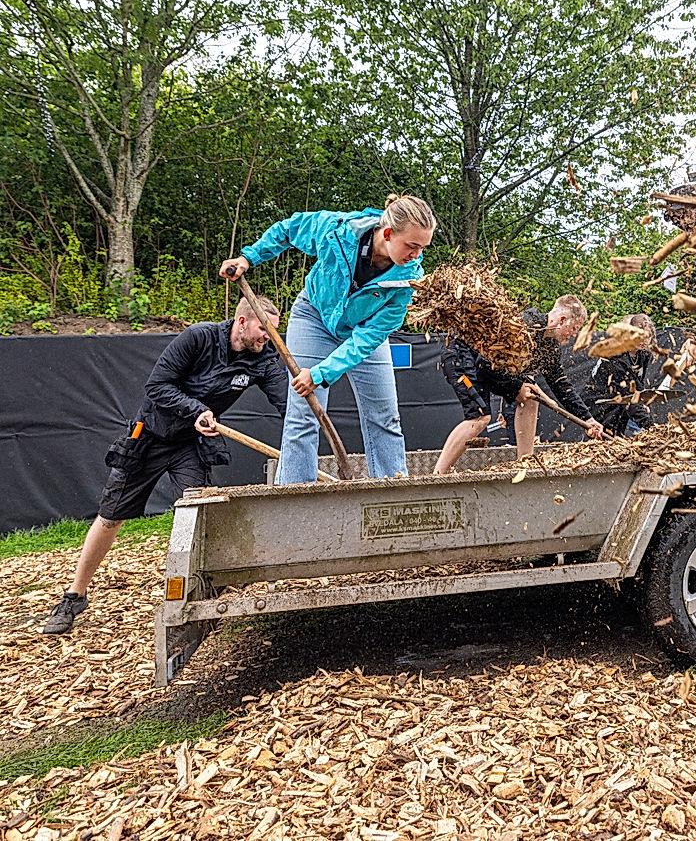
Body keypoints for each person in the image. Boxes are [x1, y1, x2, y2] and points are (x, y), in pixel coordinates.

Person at [43, 299, 289, 635]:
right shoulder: (198, 338)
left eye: (273, 330)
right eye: (264, 328)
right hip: (151, 436)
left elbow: (288, 406)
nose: (269, 336)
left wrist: (305, 423)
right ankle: (74, 596)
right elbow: (157, 386)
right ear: (242, 321)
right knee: (111, 515)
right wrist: (197, 410)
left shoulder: (264, 360)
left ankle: (204, 595)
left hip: (191, 445)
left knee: (199, 514)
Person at [220, 195, 436, 483]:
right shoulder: (338, 230)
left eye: (423, 247)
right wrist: (248, 258)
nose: (417, 254)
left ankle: (393, 495)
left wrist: (321, 373)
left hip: (362, 333)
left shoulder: (407, 280)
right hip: (314, 318)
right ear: (387, 233)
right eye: (412, 246)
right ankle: (295, 500)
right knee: (303, 413)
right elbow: (289, 229)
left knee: (385, 417)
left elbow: (368, 338)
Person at [435, 295, 603, 473]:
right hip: (463, 355)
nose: (574, 335)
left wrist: (587, 419)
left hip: (486, 365)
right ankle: (438, 475)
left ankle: (526, 462)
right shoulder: (525, 326)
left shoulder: (549, 345)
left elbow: (559, 382)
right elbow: (484, 362)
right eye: (575, 328)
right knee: (480, 417)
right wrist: (517, 387)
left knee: (531, 397)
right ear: (562, 320)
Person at [582, 313, 657, 436]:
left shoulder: (644, 355)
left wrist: (642, 401)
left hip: (619, 401)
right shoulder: (615, 355)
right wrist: (652, 428)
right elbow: (627, 396)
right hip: (599, 401)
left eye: (647, 336)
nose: (643, 340)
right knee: (601, 440)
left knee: (618, 436)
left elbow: (637, 382)